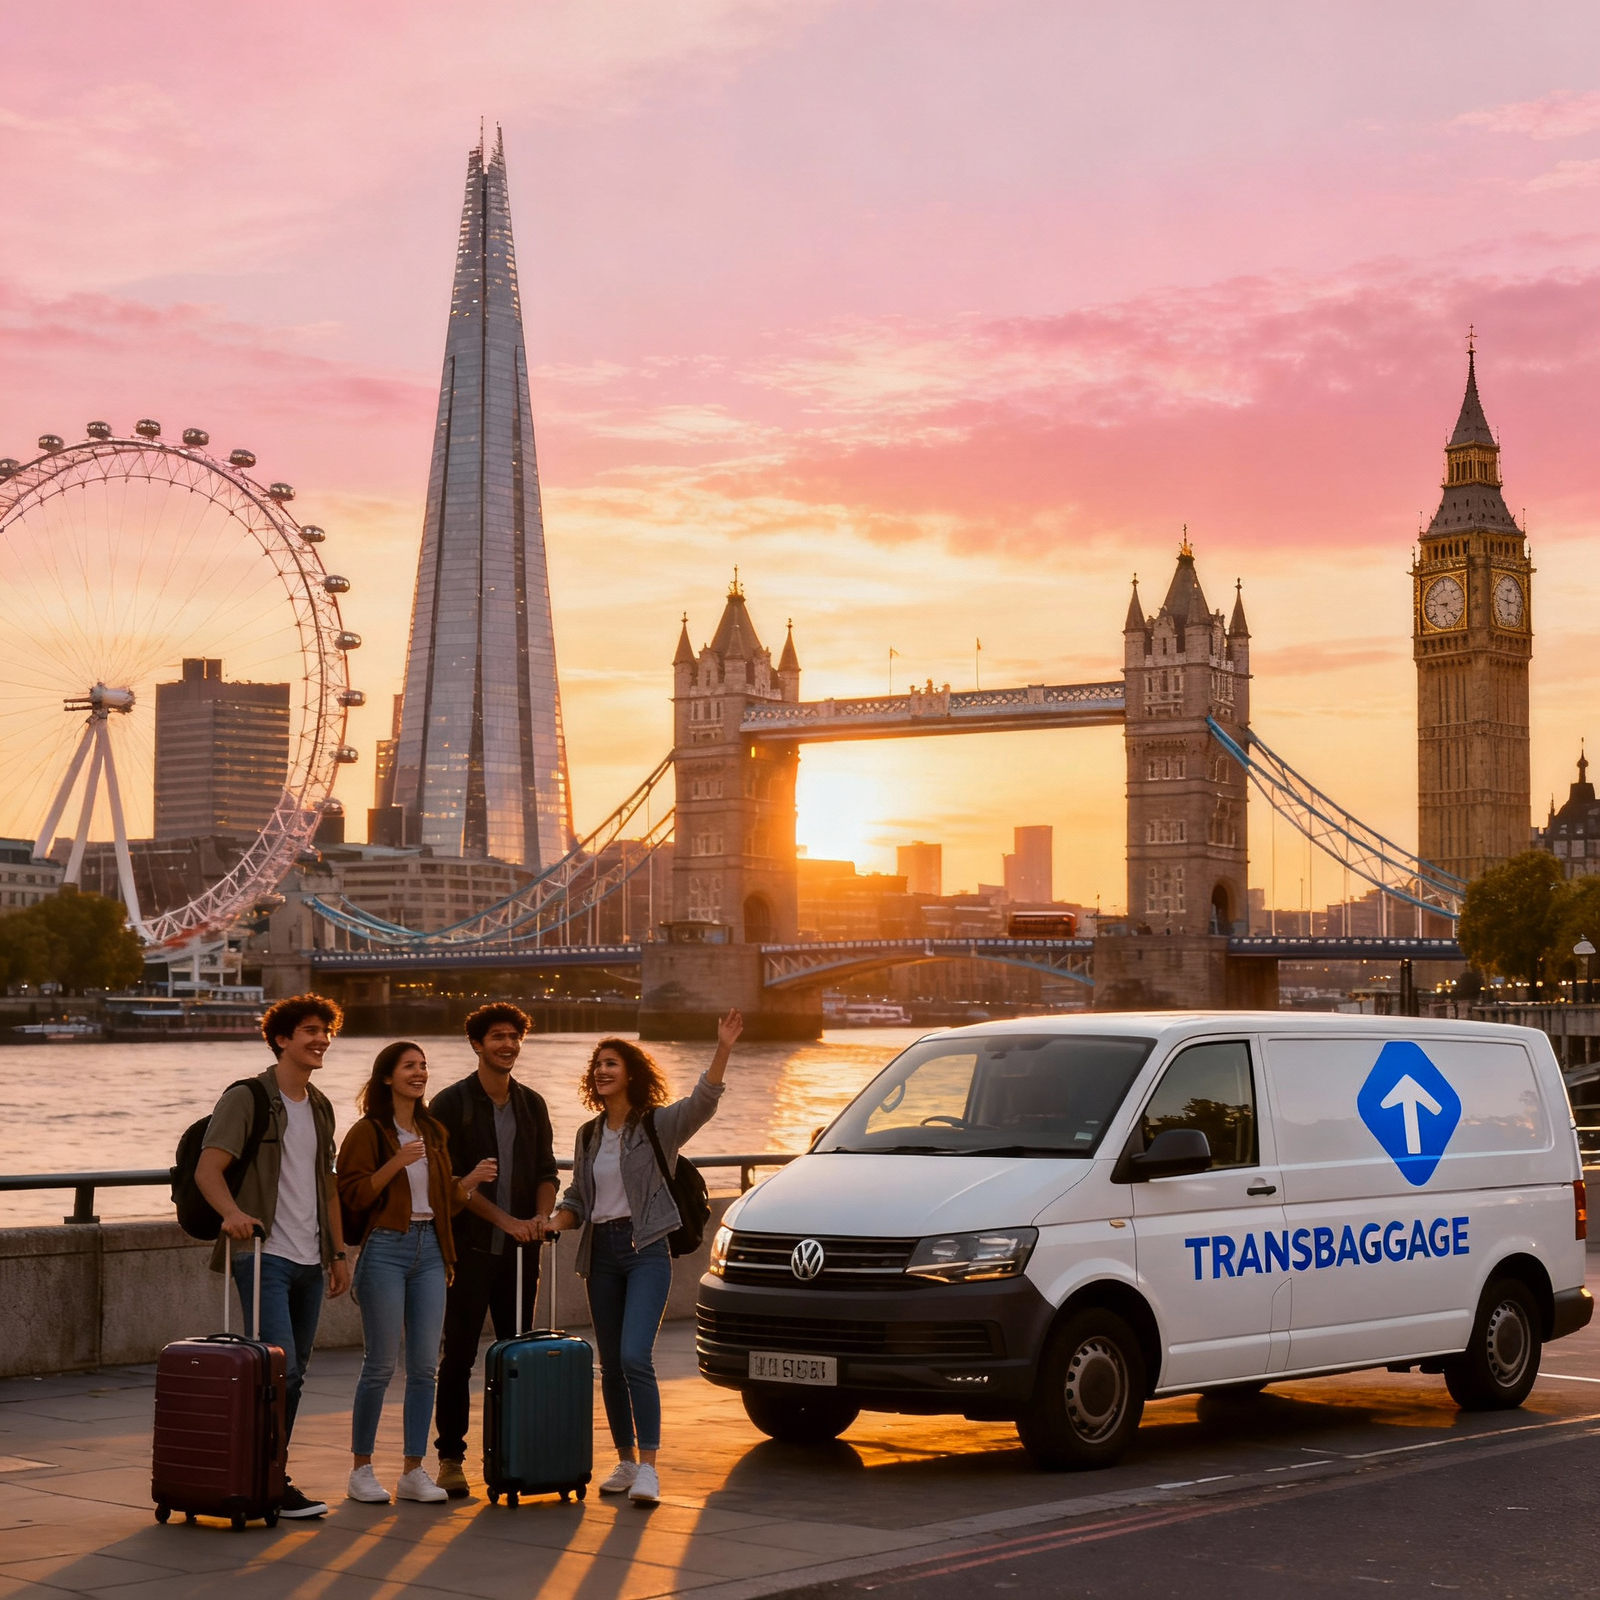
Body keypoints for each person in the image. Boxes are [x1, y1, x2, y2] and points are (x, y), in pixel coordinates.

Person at [546, 1010, 743, 1507]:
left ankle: (650, 1469)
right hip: (602, 1253)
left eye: (611, 1064)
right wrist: (555, 1220)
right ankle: (626, 1459)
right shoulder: (588, 1135)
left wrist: (723, 1047)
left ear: (630, 1072)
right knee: (610, 1364)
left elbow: (703, 1103)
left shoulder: (657, 1125)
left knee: (635, 1357)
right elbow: (578, 1198)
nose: (602, 1072)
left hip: (644, 1249)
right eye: (597, 1066)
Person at [194, 993, 352, 1520]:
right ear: (282, 1039)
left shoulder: (322, 1105)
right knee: (279, 1370)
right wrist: (233, 1215)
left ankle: (268, 1470)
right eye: (309, 1031)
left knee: (296, 1370)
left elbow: (327, 1186)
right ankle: (268, 1476)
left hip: (310, 1258)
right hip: (262, 1255)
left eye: (325, 1031)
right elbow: (208, 1170)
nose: (320, 1040)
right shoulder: (248, 1097)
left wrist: (338, 1252)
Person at [336, 1042, 498, 1505]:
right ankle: (361, 1469)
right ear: (387, 1077)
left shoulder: (432, 1130)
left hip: (430, 1251)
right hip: (386, 1247)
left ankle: (413, 1470)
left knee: (425, 1368)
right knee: (380, 1366)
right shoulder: (368, 1132)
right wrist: (396, 1163)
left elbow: (440, 1200)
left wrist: (466, 1184)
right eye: (410, 1066)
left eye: (424, 1066)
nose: (420, 1072)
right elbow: (351, 1194)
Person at [428, 1002, 560, 1496]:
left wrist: (541, 1218)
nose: (507, 1044)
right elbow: (450, 1186)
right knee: (458, 1357)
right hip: (469, 1251)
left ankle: (514, 1452)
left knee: (517, 1356)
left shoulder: (532, 1104)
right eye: (497, 1037)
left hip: (523, 1254)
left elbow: (546, 1172)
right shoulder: (450, 1104)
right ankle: (451, 1459)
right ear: (477, 1045)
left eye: (514, 1036)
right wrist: (507, 1220)